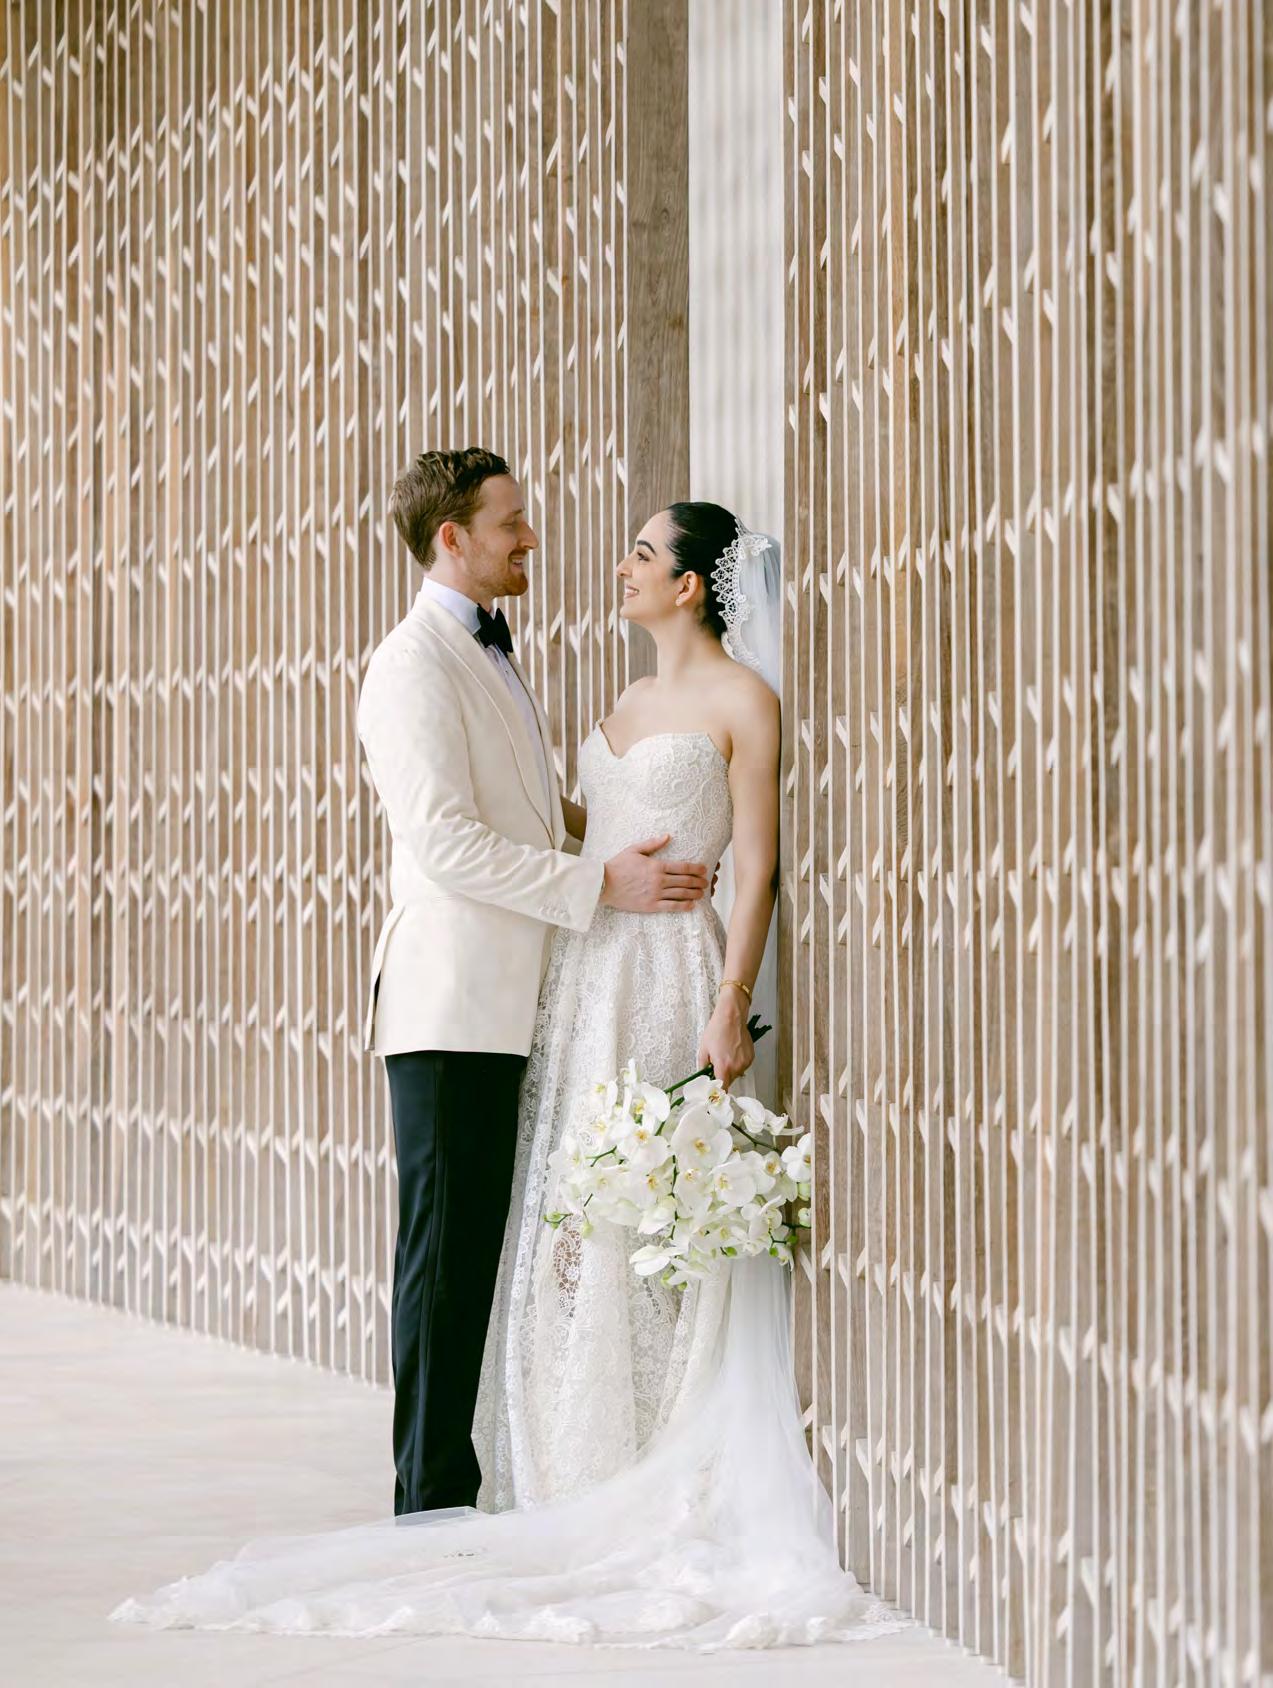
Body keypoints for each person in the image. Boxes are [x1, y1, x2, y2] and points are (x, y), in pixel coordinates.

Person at [109, 485, 907, 1651]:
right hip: (564, 980)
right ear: (455, 536)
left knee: (629, 1218)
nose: (586, 555)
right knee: (555, 1229)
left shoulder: (737, 699)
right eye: (512, 523)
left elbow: (757, 864)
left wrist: (730, 997)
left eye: (640, 553)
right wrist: (599, 877)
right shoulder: (466, 672)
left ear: (690, 584)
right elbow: (478, 835)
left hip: (660, 977)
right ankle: (513, 1477)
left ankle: (627, 1457)